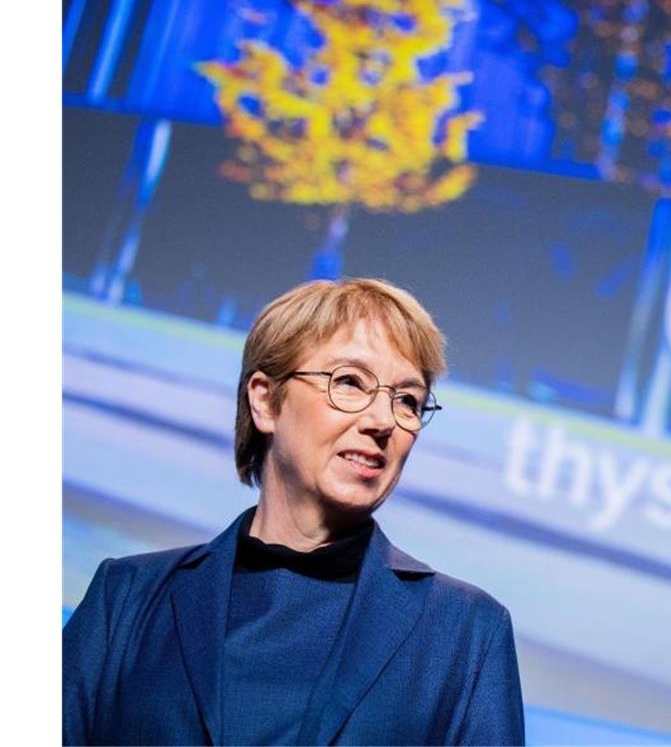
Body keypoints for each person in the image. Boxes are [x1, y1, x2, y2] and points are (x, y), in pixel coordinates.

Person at [63, 278, 525, 745]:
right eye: (349, 382)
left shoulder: (465, 633)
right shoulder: (126, 598)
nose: (383, 421)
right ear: (265, 400)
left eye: (408, 400)